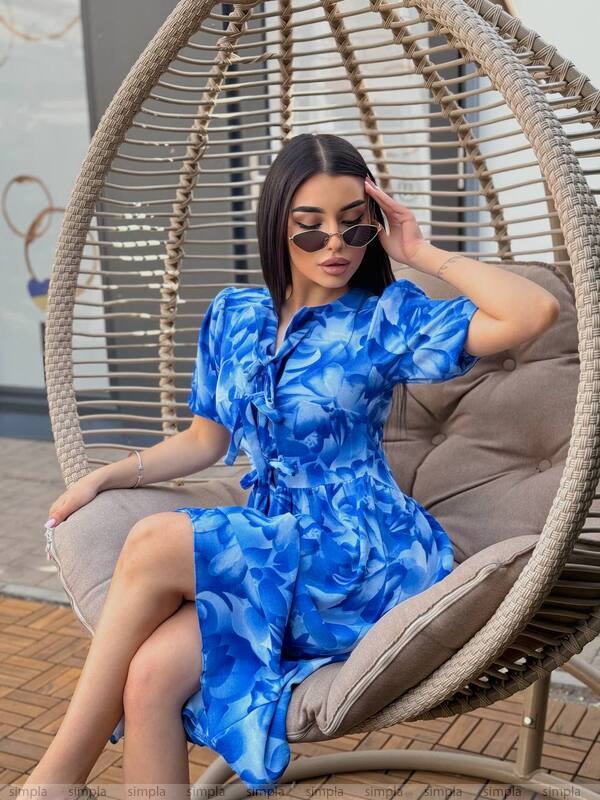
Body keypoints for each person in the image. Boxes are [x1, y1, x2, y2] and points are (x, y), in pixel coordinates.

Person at [25, 133, 560, 797]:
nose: (334, 245)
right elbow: (204, 443)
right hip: (272, 550)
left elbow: (535, 311)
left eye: (353, 226)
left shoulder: (384, 319)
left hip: (359, 557)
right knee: (150, 679)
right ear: (277, 226)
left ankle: (51, 783)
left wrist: (421, 253)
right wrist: (108, 474)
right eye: (310, 228)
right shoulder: (233, 316)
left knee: (155, 541)